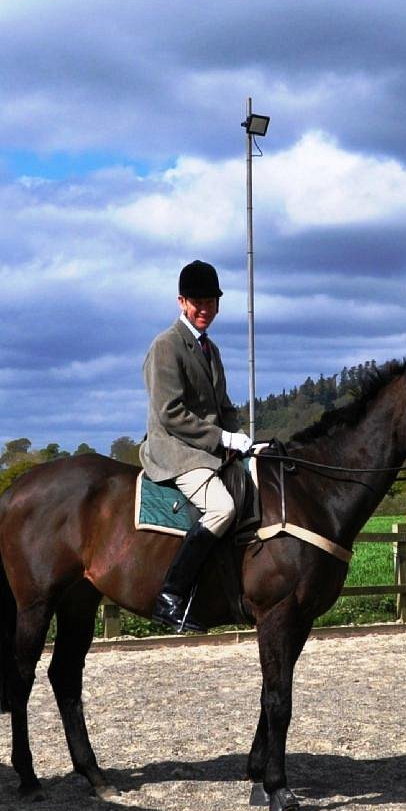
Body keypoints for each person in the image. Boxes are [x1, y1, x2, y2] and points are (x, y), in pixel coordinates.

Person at [140, 260, 253, 633]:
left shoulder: (211, 349)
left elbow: (224, 407)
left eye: (210, 302)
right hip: (175, 450)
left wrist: (244, 442)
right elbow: (170, 413)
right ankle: (170, 596)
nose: (204, 308)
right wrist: (221, 438)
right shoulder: (166, 346)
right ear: (181, 302)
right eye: (197, 302)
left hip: (209, 450)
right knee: (221, 508)